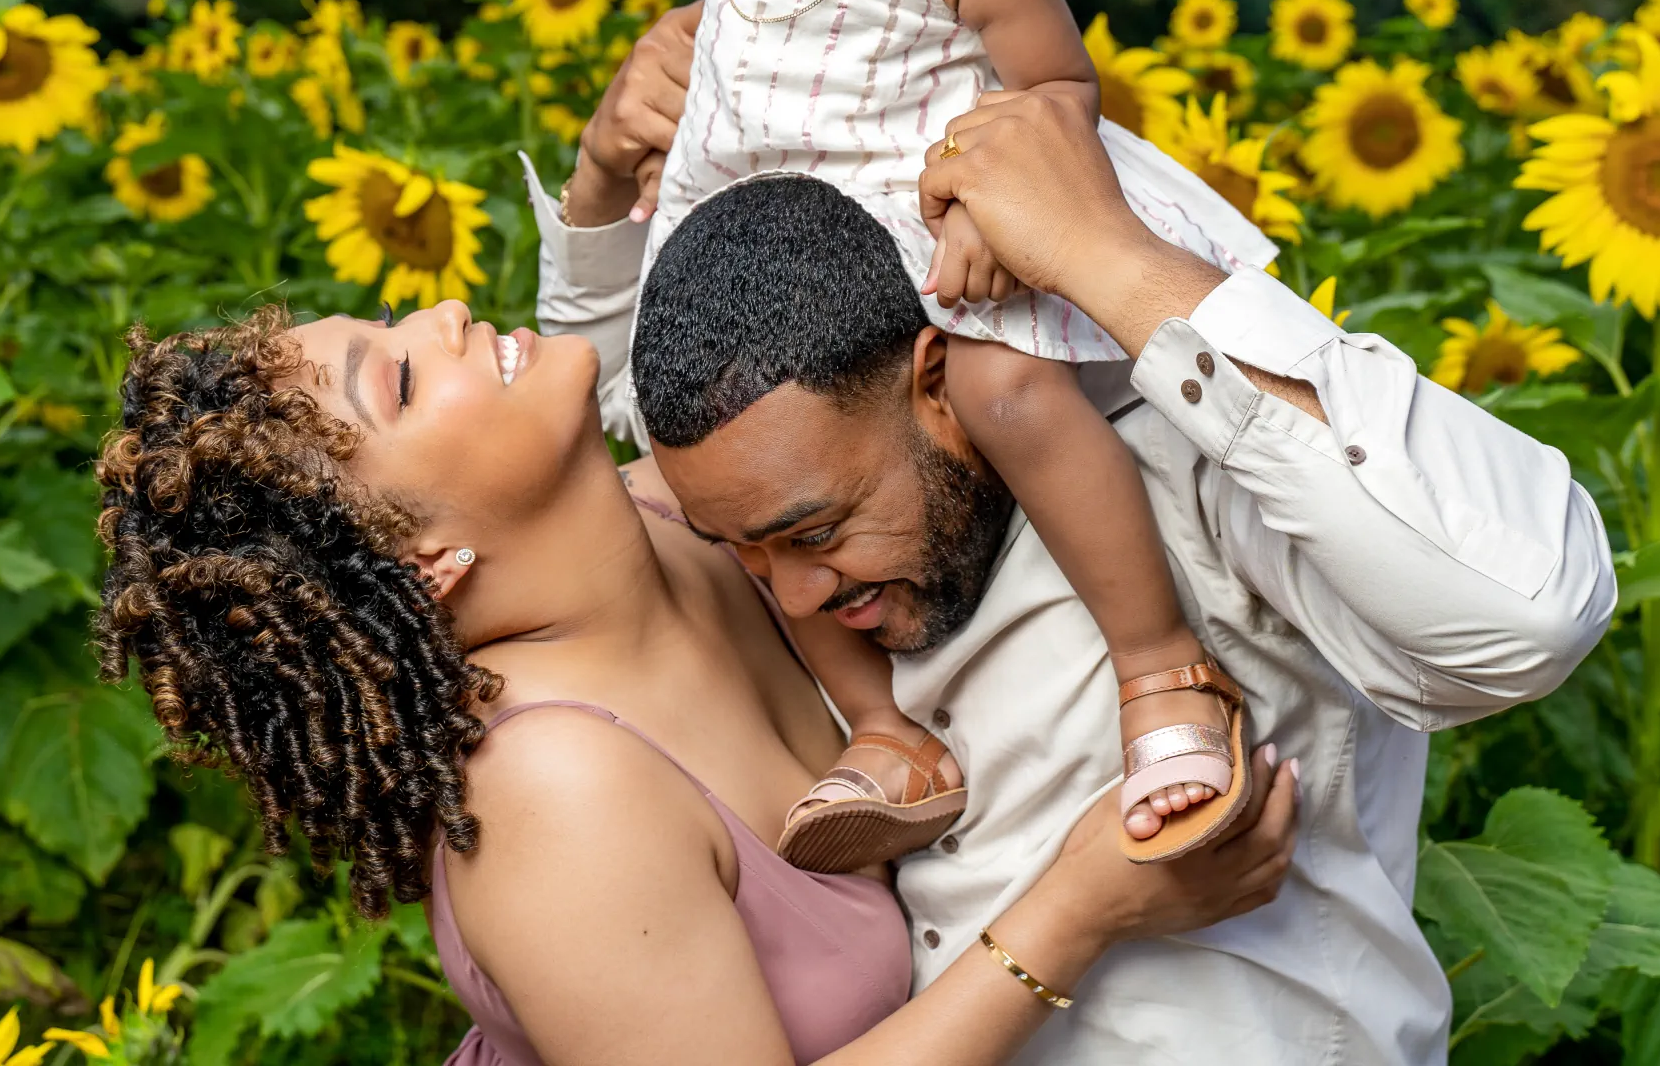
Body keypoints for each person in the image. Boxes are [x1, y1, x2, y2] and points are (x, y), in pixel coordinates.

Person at [536, 44, 1617, 1060]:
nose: (796, 593)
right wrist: (599, 189)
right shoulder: (779, 469)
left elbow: (1526, 618)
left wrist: (1114, 257)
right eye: (749, 552)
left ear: (938, 379)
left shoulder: (1191, 465)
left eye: (817, 534)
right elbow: (598, 434)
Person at [91, 301, 1300, 1066]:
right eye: (399, 379)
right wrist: (1079, 913)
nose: (447, 311)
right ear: (425, 563)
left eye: (393, 320)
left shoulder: (688, 513)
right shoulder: (550, 792)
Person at [619, 0, 1271, 871]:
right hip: (740, 230)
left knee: (1007, 391)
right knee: (745, 475)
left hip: (899, 237)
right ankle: (881, 736)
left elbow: (1061, 93)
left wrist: (983, 206)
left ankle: (1159, 674)